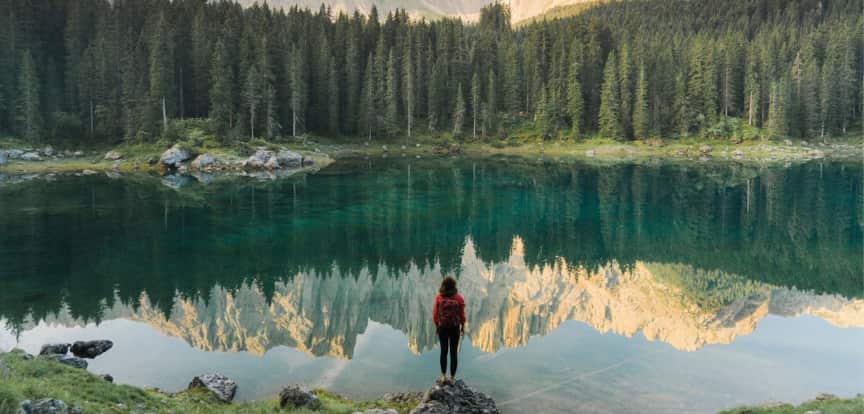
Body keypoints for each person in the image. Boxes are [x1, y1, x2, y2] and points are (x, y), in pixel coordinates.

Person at [432, 276, 466, 382]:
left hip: (443, 328)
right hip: (454, 328)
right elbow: (462, 315)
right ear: (454, 286)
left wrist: (437, 325)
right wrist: (463, 326)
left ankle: (443, 375)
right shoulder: (459, 298)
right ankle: (452, 377)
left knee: (444, 351)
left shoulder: (439, 297)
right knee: (453, 352)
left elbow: (435, 314)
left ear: (443, 286)